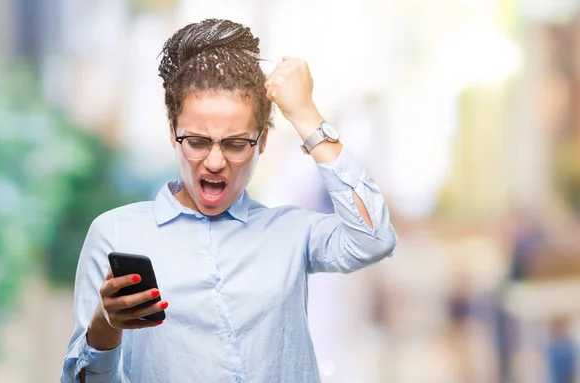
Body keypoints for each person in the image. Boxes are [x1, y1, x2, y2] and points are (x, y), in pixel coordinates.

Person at [60, 18, 397, 383]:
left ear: (263, 141)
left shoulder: (291, 232)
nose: (216, 162)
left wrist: (306, 116)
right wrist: (106, 325)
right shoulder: (116, 233)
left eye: (236, 144)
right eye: (198, 141)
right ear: (172, 131)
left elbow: (373, 238)